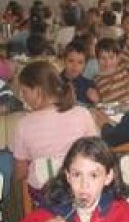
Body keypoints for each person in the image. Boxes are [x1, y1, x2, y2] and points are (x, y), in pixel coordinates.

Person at [11, 61, 98, 206]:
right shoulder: (82, 113)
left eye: (24, 91)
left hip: (44, 195)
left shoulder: (24, 124)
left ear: (37, 90)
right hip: (83, 189)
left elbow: (21, 173)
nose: (23, 96)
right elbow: (96, 152)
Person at [94, 0, 129, 103]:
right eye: (102, 58)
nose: (107, 62)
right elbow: (101, 103)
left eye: (111, 57)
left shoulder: (125, 65)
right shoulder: (97, 80)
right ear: (97, 59)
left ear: (119, 57)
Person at [60, 41, 97, 106]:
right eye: (71, 61)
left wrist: (96, 100)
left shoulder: (89, 84)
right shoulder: (54, 83)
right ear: (63, 61)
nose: (75, 65)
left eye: (80, 62)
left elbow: (95, 106)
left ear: (85, 65)